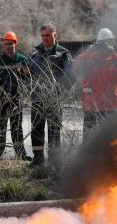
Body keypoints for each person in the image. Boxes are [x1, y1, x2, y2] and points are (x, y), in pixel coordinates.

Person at [28, 23, 73, 166]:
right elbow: (30, 73)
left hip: (54, 99)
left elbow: (71, 76)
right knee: (36, 128)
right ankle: (38, 159)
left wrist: (58, 91)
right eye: (43, 36)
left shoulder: (63, 53)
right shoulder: (35, 53)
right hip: (37, 98)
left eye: (48, 35)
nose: (45, 38)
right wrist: (25, 72)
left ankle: (54, 160)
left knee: (54, 130)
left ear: (55, 35)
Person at [73, 28, 117, 144]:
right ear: (98, 44)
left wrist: (113, 53)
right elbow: (75, 65)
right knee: (89, 141)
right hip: (92, 106)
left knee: (113, 140)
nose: (107, 46)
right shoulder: (90, 58)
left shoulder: (116, 59)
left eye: (110, 42)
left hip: (112, 107)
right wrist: (89, 51)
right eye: (104, 43)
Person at [0, 31, 32, 161]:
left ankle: (20, 153)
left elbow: (28, 79)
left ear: (15, 43)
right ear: (3, 45)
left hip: (16, 97)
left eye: (11, 43)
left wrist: (25, 74)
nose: (8, 46)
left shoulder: (22, 59)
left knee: (17, 127)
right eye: (6, 44)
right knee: (0, 125)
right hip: (2, 98)